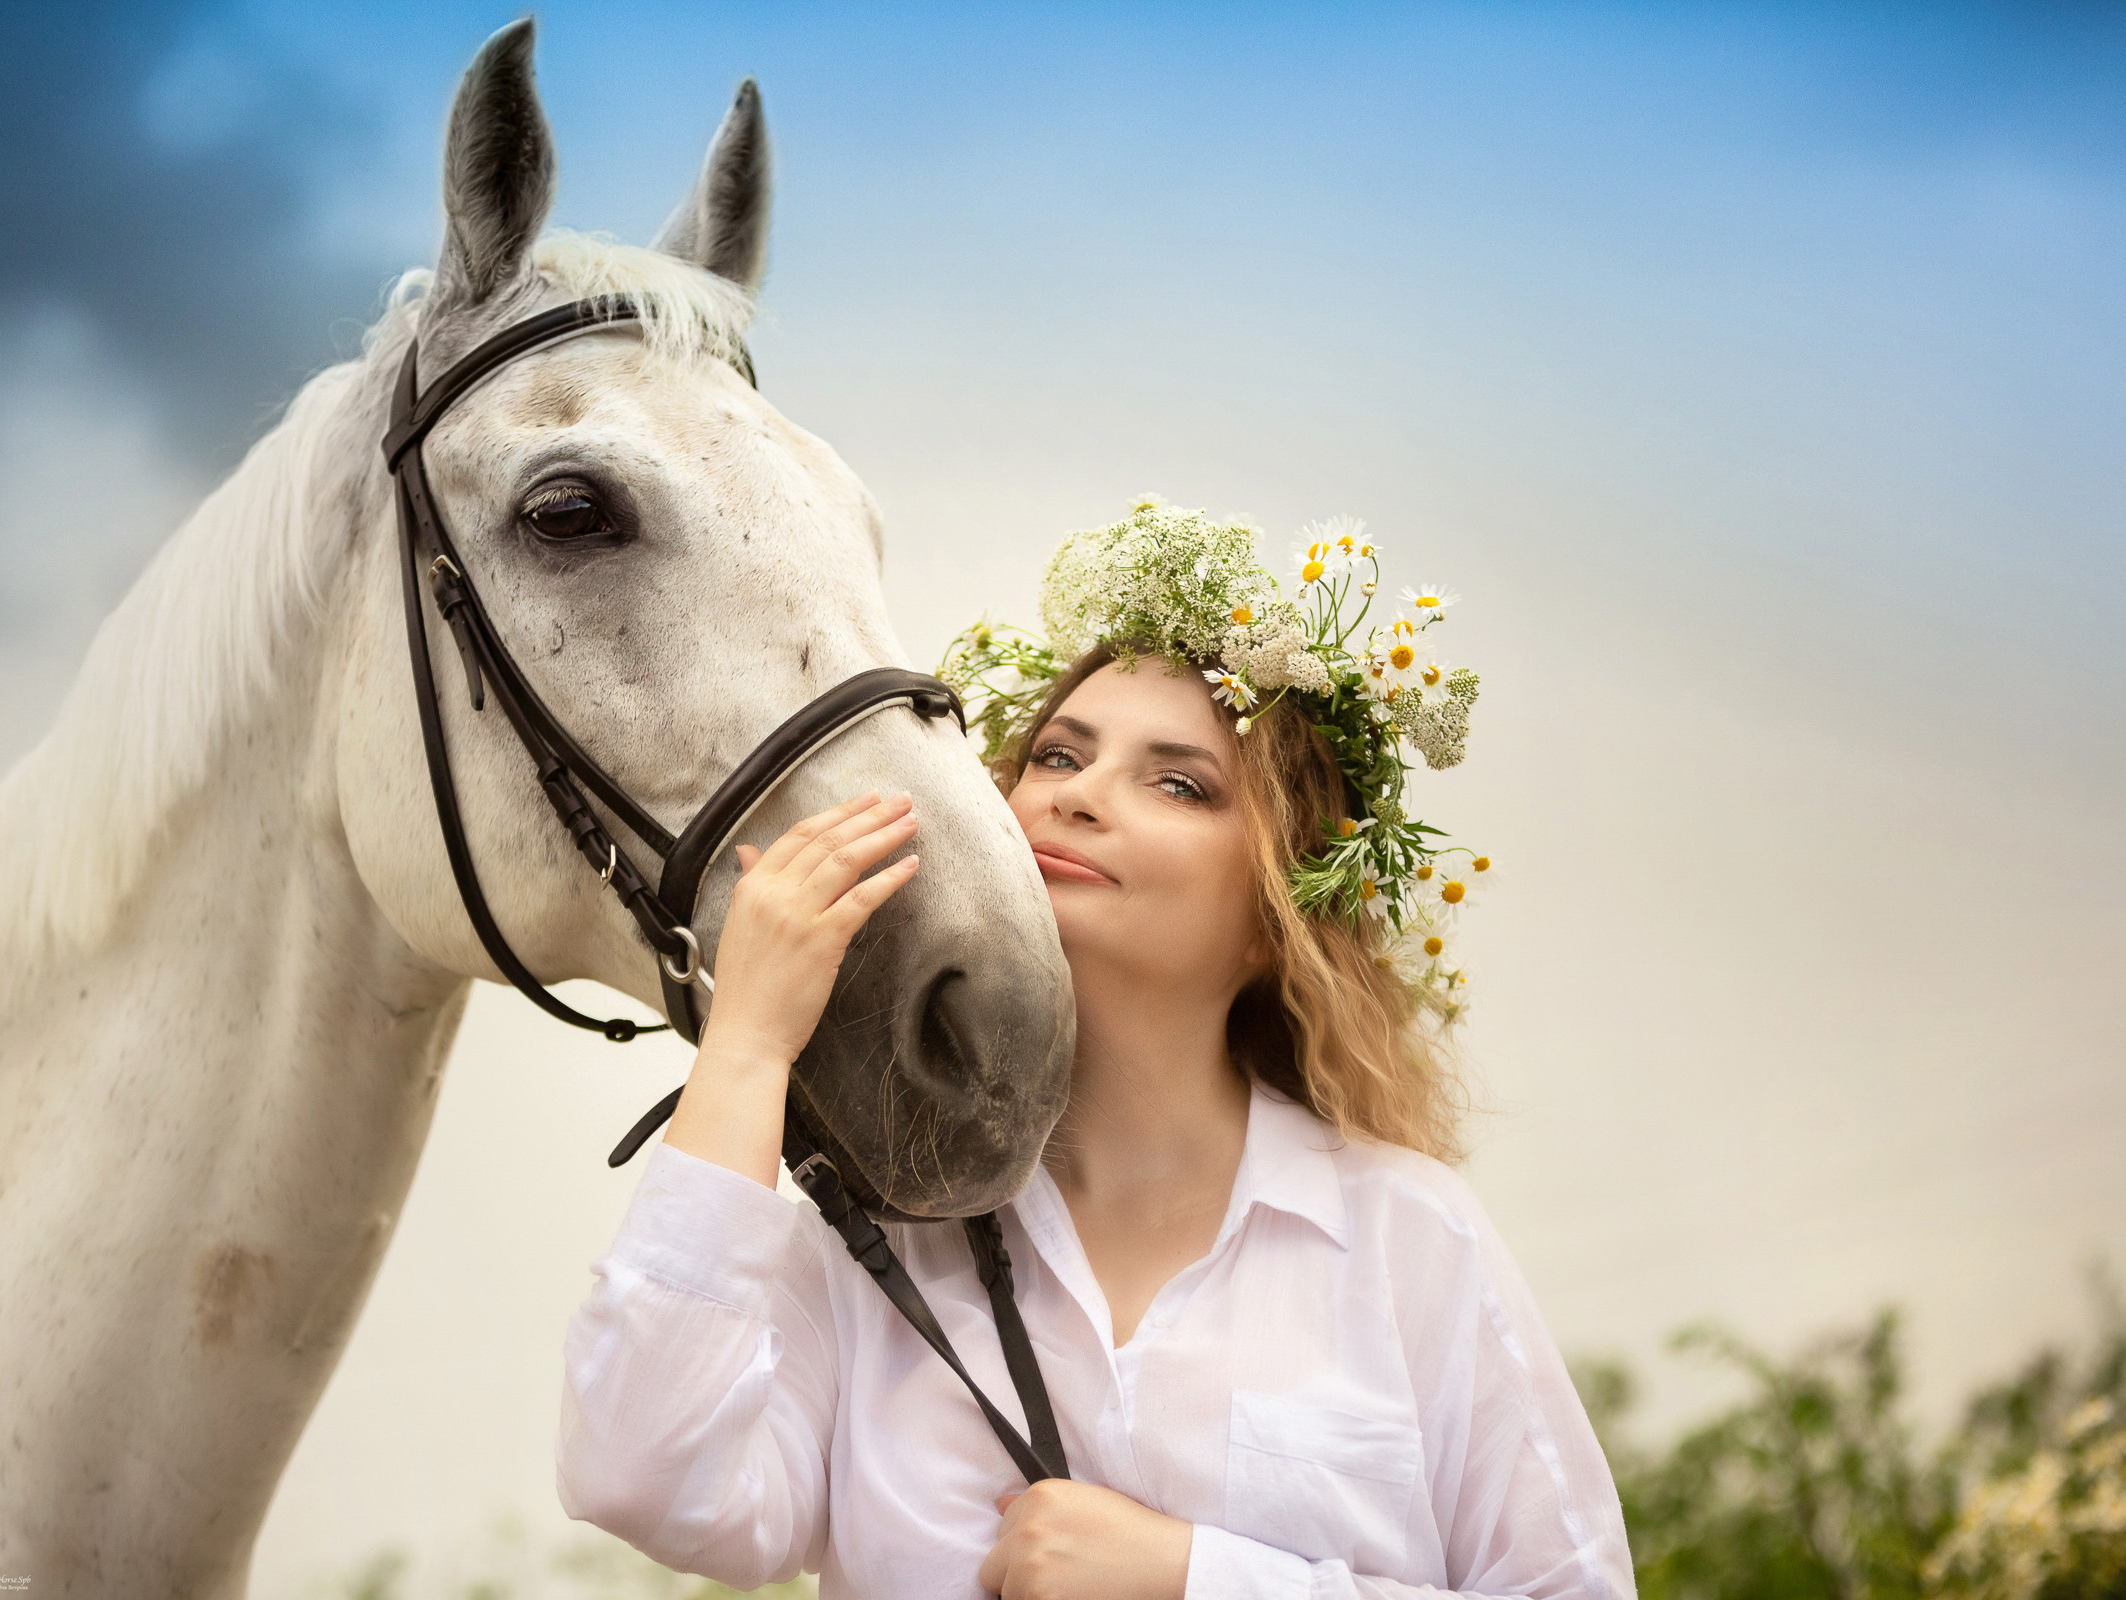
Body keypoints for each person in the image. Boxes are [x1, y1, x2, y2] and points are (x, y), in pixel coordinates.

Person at [557, 504, 1636, 1598]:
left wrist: (1194, 1578)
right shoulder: (869, 1249)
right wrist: (745, 1043)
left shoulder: (1408, 1237)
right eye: (1060, 755)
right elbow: (645, 1478)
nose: (1076, 793)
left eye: (1178, 783)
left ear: (1276, 915)